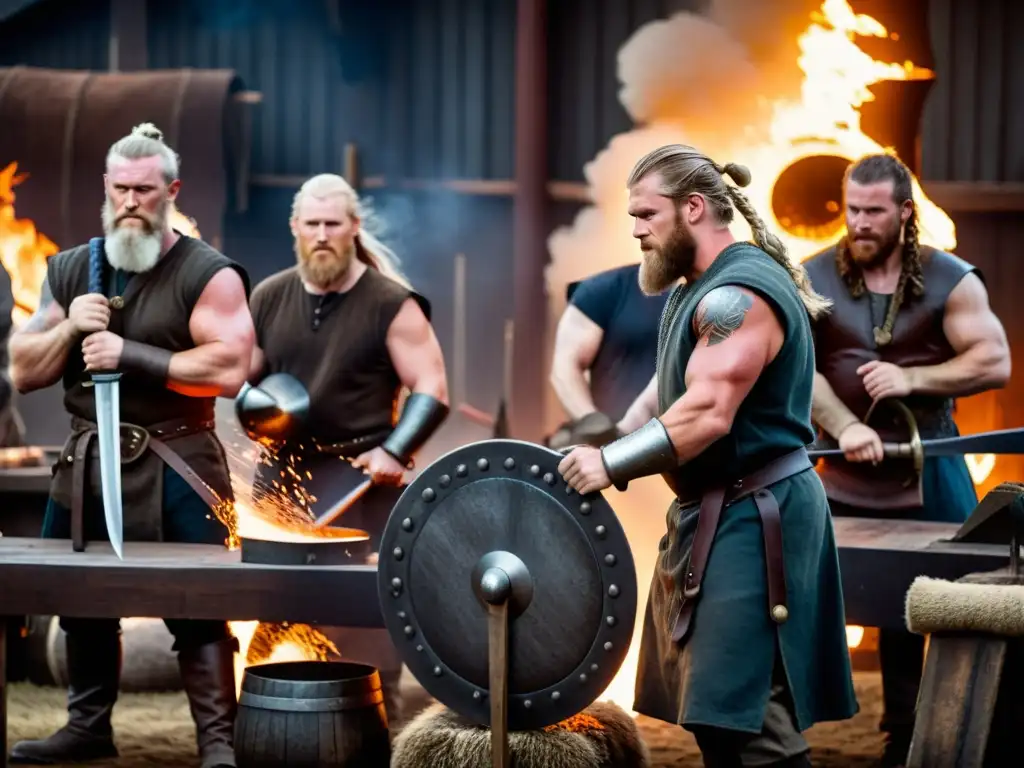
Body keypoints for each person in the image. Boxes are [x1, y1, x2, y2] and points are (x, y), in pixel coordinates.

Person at [558, 144, 858, 767]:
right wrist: (609, 437)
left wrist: (610, 465)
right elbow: (672, 393)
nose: (636, 229)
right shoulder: (698, 290)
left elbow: (707, 413)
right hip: (718, 513)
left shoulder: (738, 295)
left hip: (757, 515)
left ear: (693, 207)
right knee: (718, 717)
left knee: (751, 725)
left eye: (646, 214)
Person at [7, 123, 254, 768]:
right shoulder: (68, 270)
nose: (131, 203)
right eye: (121, 189)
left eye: (145, 190)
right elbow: (23, 369)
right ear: (106, 189)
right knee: (82, 598)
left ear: (171, 191)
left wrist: (133, 353)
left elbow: (230, 368)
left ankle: (217, 743)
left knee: (199, 608)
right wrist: (70, 334)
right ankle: (88, 729)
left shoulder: (206, 272)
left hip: (180, 460)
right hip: (87, 459)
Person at [803, 153, 1011, 767]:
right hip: (839, 469)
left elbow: (992, 361)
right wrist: (841, 426)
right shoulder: (812, 276)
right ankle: (787, 740)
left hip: (930, 465)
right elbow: (798, 367)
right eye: (852, 209)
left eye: (873, 211)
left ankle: (914, 740)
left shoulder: (951, 278)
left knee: (950, 600)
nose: (860, 222)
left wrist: (912, 378)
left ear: (904, 212)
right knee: (801, 595)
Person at [244, 173, 449, 725]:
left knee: (369, 618)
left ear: (353, 227)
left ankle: (376, 731)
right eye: (311, 224)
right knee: (276, 607)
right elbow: (247, 377)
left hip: (365, 483)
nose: (322, 235)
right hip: (285, 483)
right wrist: (252, 408)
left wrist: (396, 451)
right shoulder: (268, 295)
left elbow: (432, 388)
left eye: (333, 224)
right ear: (295, 228)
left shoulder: (391, 302)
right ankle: (274, 721)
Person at [547, 264, 668, 449]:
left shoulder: (712, 293)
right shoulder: (605, 289)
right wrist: (592, 422)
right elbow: (565, 367)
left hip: (680, 446)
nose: (641, 233)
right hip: (612, 448)